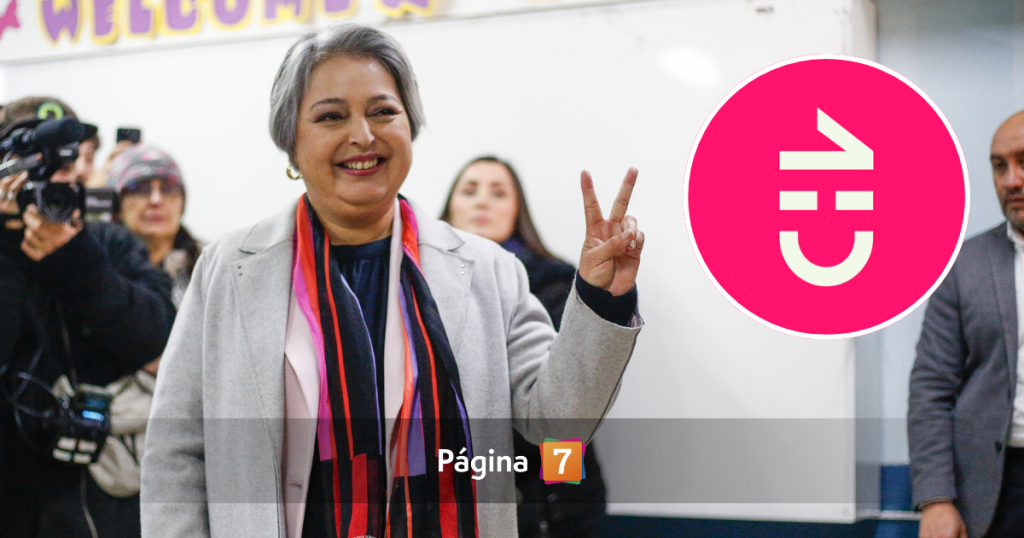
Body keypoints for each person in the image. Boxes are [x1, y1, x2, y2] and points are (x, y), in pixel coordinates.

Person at [140, 23, 644, 538]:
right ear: (291, 143)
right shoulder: (229, 268)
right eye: (331, 116)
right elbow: (176, 450)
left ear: (410, 126)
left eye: (383, 111)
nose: (363, 135)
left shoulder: (489, 270)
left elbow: (559, 423)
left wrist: (600, 298)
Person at [0, 96, 175, 538]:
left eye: (67, 162)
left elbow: (157, 335)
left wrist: (73, 259)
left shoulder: (109, 243)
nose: (61, 177)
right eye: (37, 165)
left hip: (102, 498)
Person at [442, 156, 607, 538]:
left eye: (498, 193)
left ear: (517, 211)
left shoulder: (557, 282)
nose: (482, 201)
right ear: (450, 209)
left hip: (546, 494)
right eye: (469, 190)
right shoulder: (411, 279)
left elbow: (564, 402)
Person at [909, 110, 1024, 538]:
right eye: (999, 165)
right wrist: (936, 499)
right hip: (995, 491)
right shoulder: (965, 265)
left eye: (1023, 161)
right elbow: (931, 389)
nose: (1011, 180)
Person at [108, 145, 203, 306]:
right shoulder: (98, 267)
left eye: (168, 189)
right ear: (117, 205)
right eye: (140, 189)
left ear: (182, 203)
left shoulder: (208, 266)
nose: (156, 200)